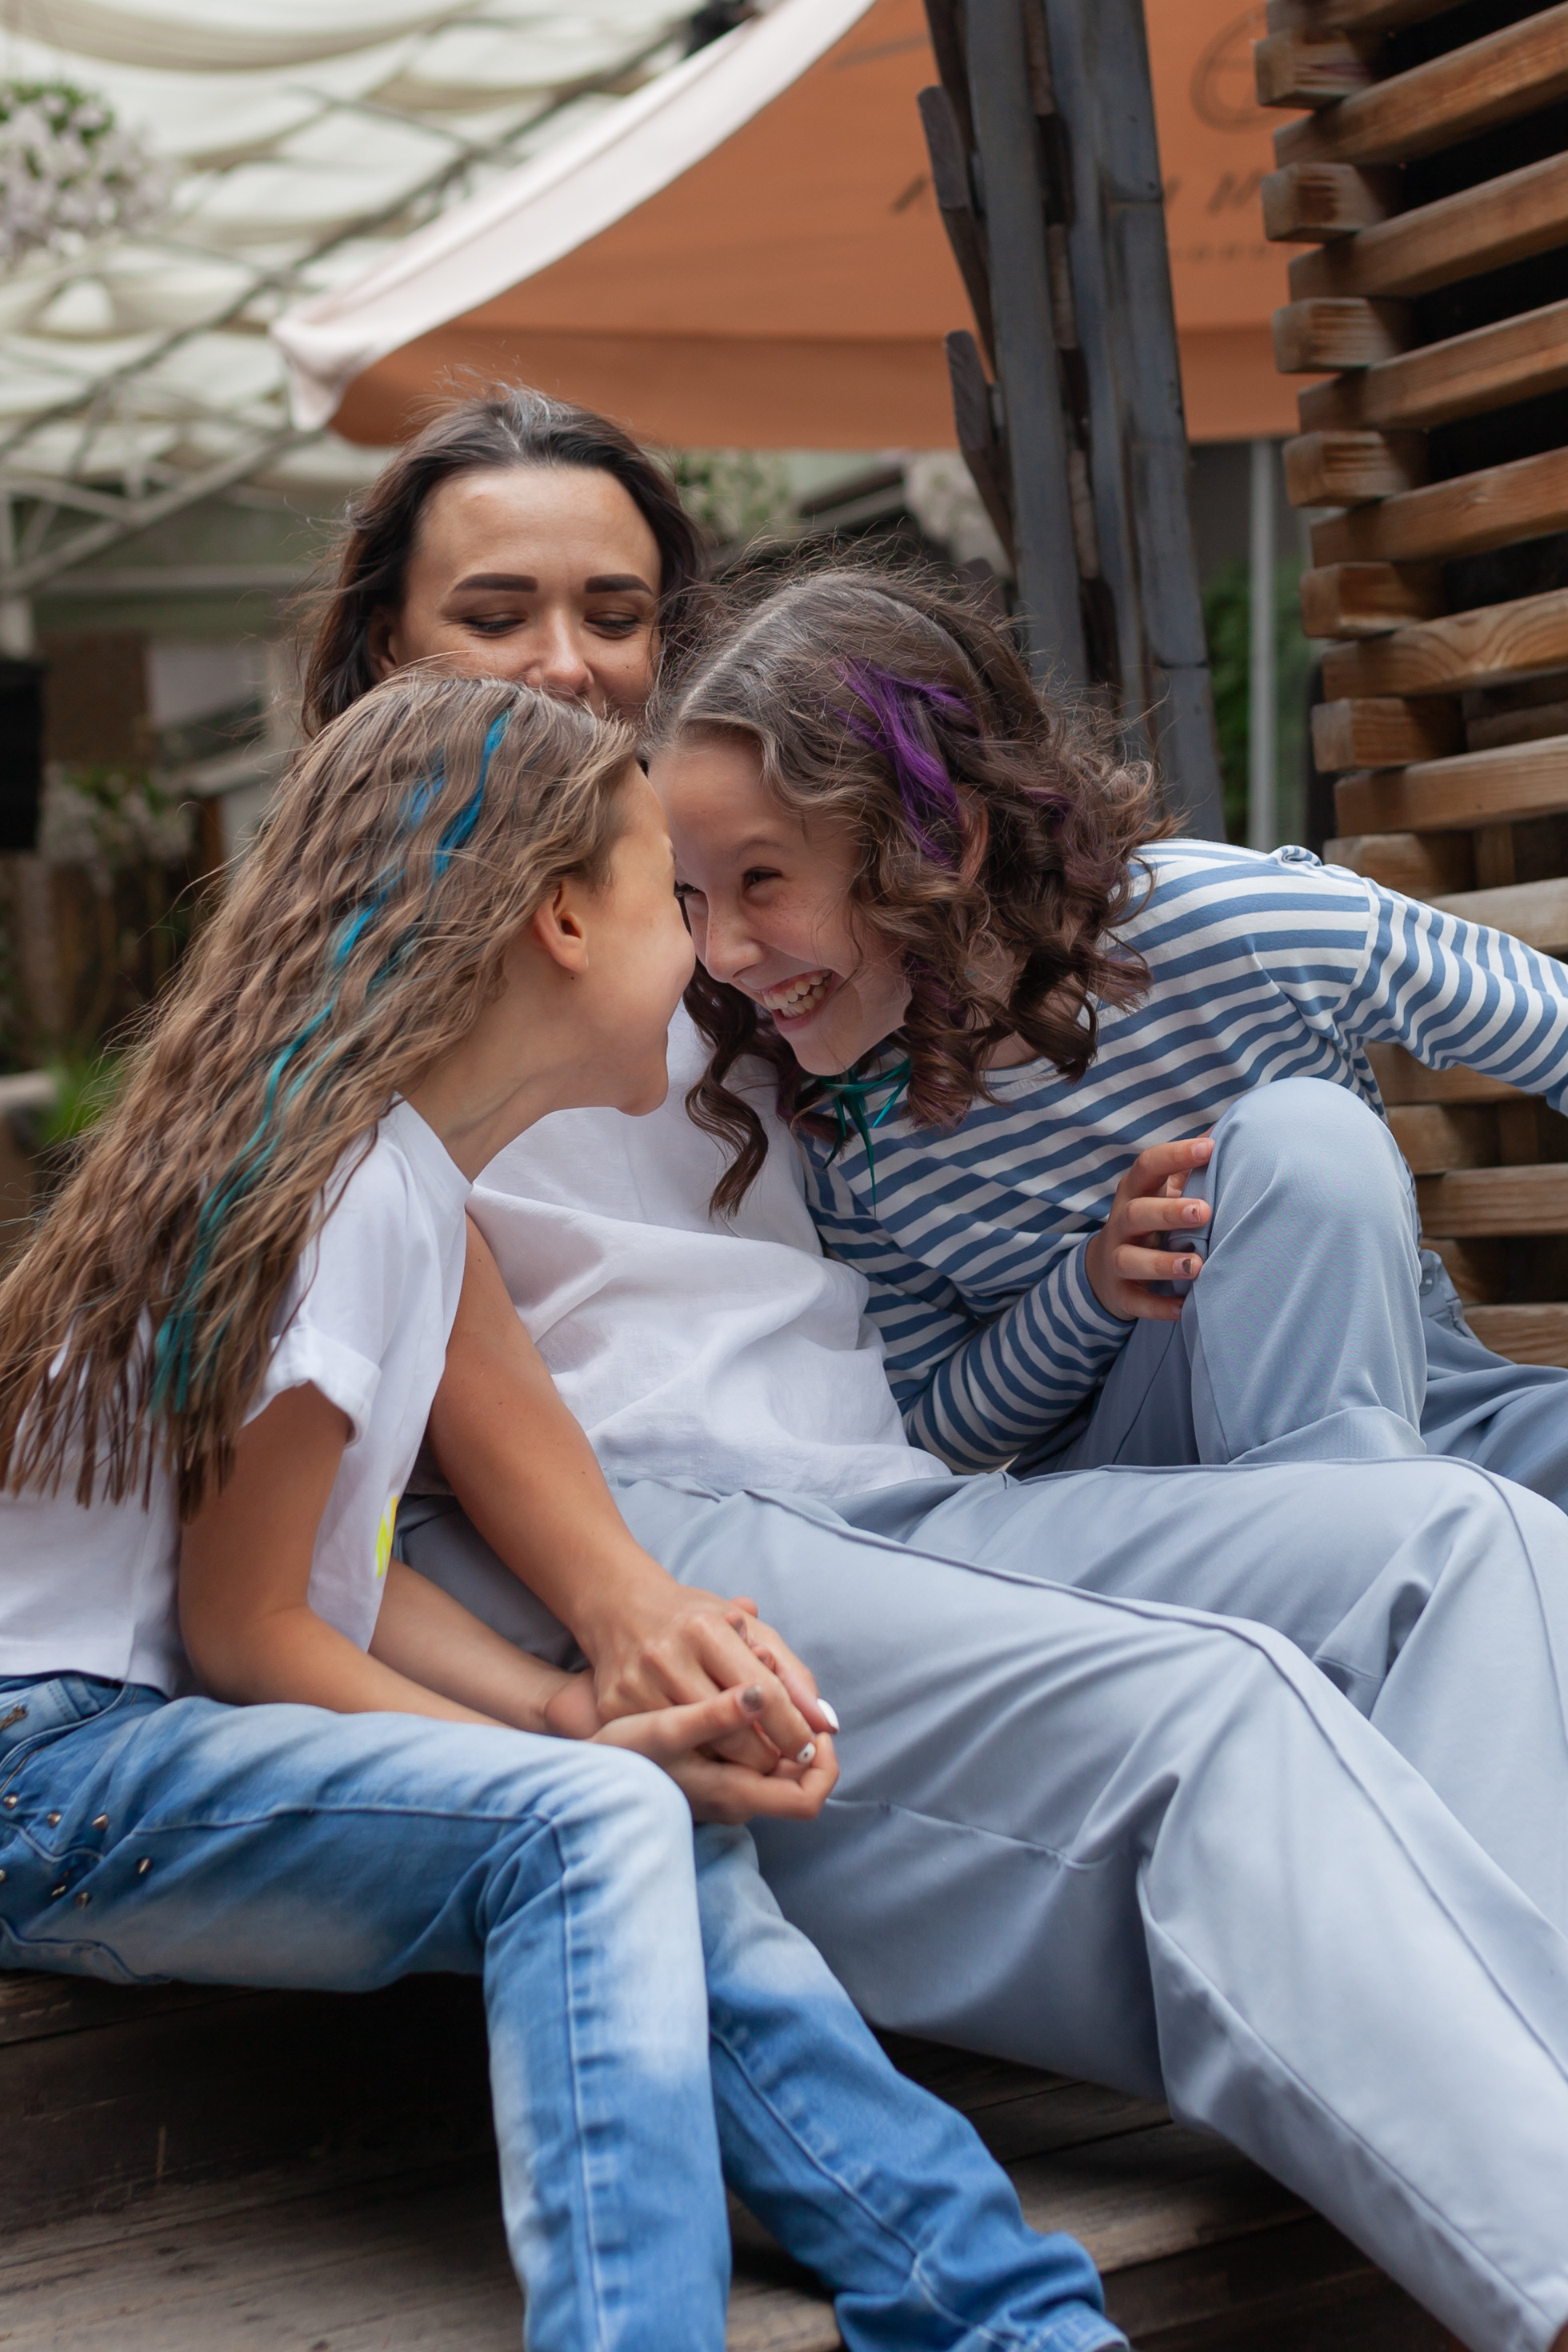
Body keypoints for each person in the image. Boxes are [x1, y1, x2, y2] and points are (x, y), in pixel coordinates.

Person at [304, 386, 1568, 2352]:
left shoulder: (723, 936)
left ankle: (1474, 2078)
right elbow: (395, 1295)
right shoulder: (386, 957)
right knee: (1222, 1709)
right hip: (674, 1522)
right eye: (496, 611)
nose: (569, 657)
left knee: (1469, 1541)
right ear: (383, 647)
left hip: (918, 1495)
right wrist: (609, 1609)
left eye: (617, 609)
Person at [0, 668, 1142, 2352]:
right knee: (590, 1823)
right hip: (62, 1769)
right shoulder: (335, 1194)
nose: (704, 952)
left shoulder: (386, 1177)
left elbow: (331, 1575)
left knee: (644, 1816)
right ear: (555, 920)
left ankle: (1012, 2322)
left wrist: (565, 1703)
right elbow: (245, 1629)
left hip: (138, 1748)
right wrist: (567, 1766)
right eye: (667, 897)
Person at [652, 563, 1568, 1498]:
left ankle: (1372, 1545)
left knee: (1302, 1149)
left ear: (940, 837)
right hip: (1149, 1486)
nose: (717, 951)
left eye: (759, 880)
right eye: (688, 895)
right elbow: (931, 1429)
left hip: (1421, 1409)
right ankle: (1366, 1561)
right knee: (1308, 1134)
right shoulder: (845, 1131)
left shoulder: (1234, 923)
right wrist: (1086, 1291)